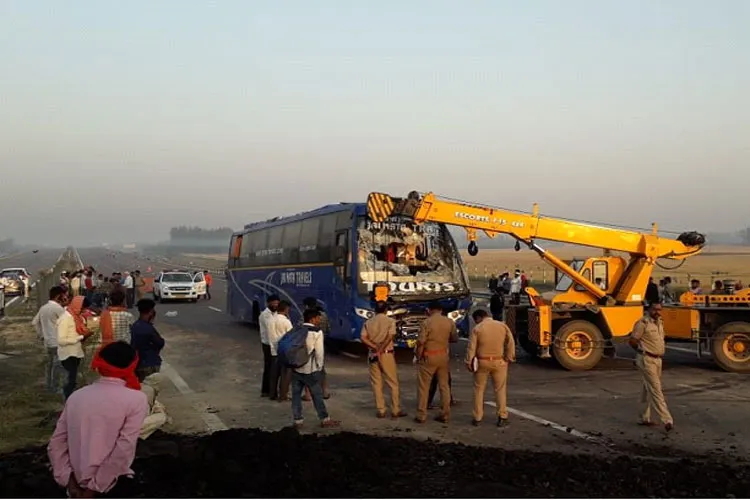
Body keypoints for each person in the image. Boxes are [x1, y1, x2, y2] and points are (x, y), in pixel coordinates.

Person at [48, 341, 149, 497]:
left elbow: (56, 443)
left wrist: (70, 482)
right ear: (132, 365)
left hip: (76, 483)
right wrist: (93, 489)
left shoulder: (77, 396)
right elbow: (124, 448)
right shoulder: (137, 400)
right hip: (111, 485)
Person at [465, 309, 516, 427]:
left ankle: (477, 417)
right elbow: (510, 342)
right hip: (499, 361)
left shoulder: (477, 328)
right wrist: (509, 357)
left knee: (479, 390)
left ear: (478, 318)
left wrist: (469, 362)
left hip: (482, 362)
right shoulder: (502, 326)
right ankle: (502, 416)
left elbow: (471, 347)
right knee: (500, 389)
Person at [291, 308, 340, 428]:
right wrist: (319, 366)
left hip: (296, 367)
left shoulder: (297, 329)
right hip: (310, 369)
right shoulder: (317, 332)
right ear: (312, 319)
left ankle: (298, 420)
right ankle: (324, 419)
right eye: (318, 318)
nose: (319, 320)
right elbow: (319, 352)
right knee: (317, 395)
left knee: (296, 396)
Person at [628, 302, 673, 432]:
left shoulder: (660, 322)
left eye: (659, 310)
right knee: (656, 388)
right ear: (649, 309)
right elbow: (633, 340)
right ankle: (667, 419)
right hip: (646, 359)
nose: (657, 312)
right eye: (655, 309)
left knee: (647, 388)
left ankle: (643, 417)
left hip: (658, 359)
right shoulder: (642, 323)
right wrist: (640, 352)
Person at [360, 301, 407, 419]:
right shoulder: (390, 321)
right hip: (386, 354)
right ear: (386, 310)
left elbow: (363, 337)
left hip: (372, 354)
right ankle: (395, 410)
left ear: (375, 310)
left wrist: (374, 347)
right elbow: (390, 337)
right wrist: (381, 348)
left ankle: (381, 410)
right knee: (393, 383)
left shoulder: (368, 322)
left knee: (376, 383)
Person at [415, 301, 458, 424]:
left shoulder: (426, 322)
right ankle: (445, 414)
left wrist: (418, 356)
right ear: (441, 310)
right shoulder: (449, 322)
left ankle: (421, 415)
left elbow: (421, 342)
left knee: (424, 387)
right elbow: (454, 338)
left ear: (430, 310)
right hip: (443, 356)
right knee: (444, 386)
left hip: (429, 356)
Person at [57, 296, 95, 400]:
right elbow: (61, 340)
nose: (84, 311)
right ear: (77, 306)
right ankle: (68, 401)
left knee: (74, 381)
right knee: (70, 382)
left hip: (76, 353)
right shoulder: (65, 318)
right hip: (68, 355)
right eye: (83, 308)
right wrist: (81, 337)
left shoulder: (77, 318)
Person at [32, 285, 67, 393]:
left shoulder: (43, 308)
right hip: (58, 342)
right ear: (58, 296)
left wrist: (41, 335)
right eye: (64, 295)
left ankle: (49, 386)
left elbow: (34, 322)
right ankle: (55, 388)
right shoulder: (58, 309)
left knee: (50, 365)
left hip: (48, 342)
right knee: (58, 366)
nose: (65, 297)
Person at [130, 298, 165, 383]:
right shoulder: (148, 328)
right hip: (150, 364)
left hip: (138, 364)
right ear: (151, 312)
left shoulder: (134, 326)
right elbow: (160, 343)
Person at [302, 297, 331, 399]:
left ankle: (308, 394)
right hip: (321, 343)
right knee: (321, 368)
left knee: (306, 369)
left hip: (308, 345)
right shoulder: (323, 315)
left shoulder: (306, 315)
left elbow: (300, 328)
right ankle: (324, 391)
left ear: (306, 305)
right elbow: (328, 329)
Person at [268, 300, 293, 401]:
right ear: (286, 309)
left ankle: (272, 394)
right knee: (285, 375)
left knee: (274, 374)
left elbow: (270, 335)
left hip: (273, 350)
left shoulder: (271, 319)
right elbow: (290, 336)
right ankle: (283, 395)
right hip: (284, 351)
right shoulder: (286, 322)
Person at [259, 295, 280, 397]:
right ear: (268, 303)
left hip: (274, 343)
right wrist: (274, 349)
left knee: (273, 368)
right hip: (268, 344)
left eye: (277, 303)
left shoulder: (276, 313)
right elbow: (270, 331)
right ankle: (266, 390)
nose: (276, 305)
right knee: (269, 368)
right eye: (274, 303)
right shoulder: (265, 315)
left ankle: (270, 390)